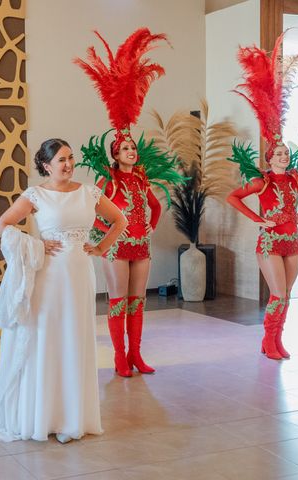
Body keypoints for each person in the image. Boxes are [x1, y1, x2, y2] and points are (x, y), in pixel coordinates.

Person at [0, 138, 126, 443]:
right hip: (49, 277)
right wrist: (35, 244)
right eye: (61, 160)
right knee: (49, 340)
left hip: (80, 273)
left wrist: (102, 246)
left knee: (75, 339)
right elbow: (2, 226)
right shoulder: (35, 195)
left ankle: (73, 418)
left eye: (70, 158)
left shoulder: (89, 192)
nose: (67, 164)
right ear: (46, 165)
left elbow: (119, 220)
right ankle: (45, 416)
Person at [75, 28, 184, 377]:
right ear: (115, 154)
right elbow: (89, 213)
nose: (131, 152)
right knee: (119, 301)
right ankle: (120, 357)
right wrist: (108, 233)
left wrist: (147, 229)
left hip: (141, 246)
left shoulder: (140, 179)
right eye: (125, 149)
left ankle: (136, 354)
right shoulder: (108, 181)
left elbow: (155, 207)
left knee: (139, 302)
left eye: (133, 148)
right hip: (117, 249)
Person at [226, 33, 298, 360]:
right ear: (269, 157)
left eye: (286, 154)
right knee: (277, 294)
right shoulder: (262, 182)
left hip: (292, 240)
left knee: (286, 295)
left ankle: (274, 341)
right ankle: (269, 341)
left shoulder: (294, 179)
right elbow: (233, 197)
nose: (283, 157)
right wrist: (259, 219)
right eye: (278, 154)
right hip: (271, 241)